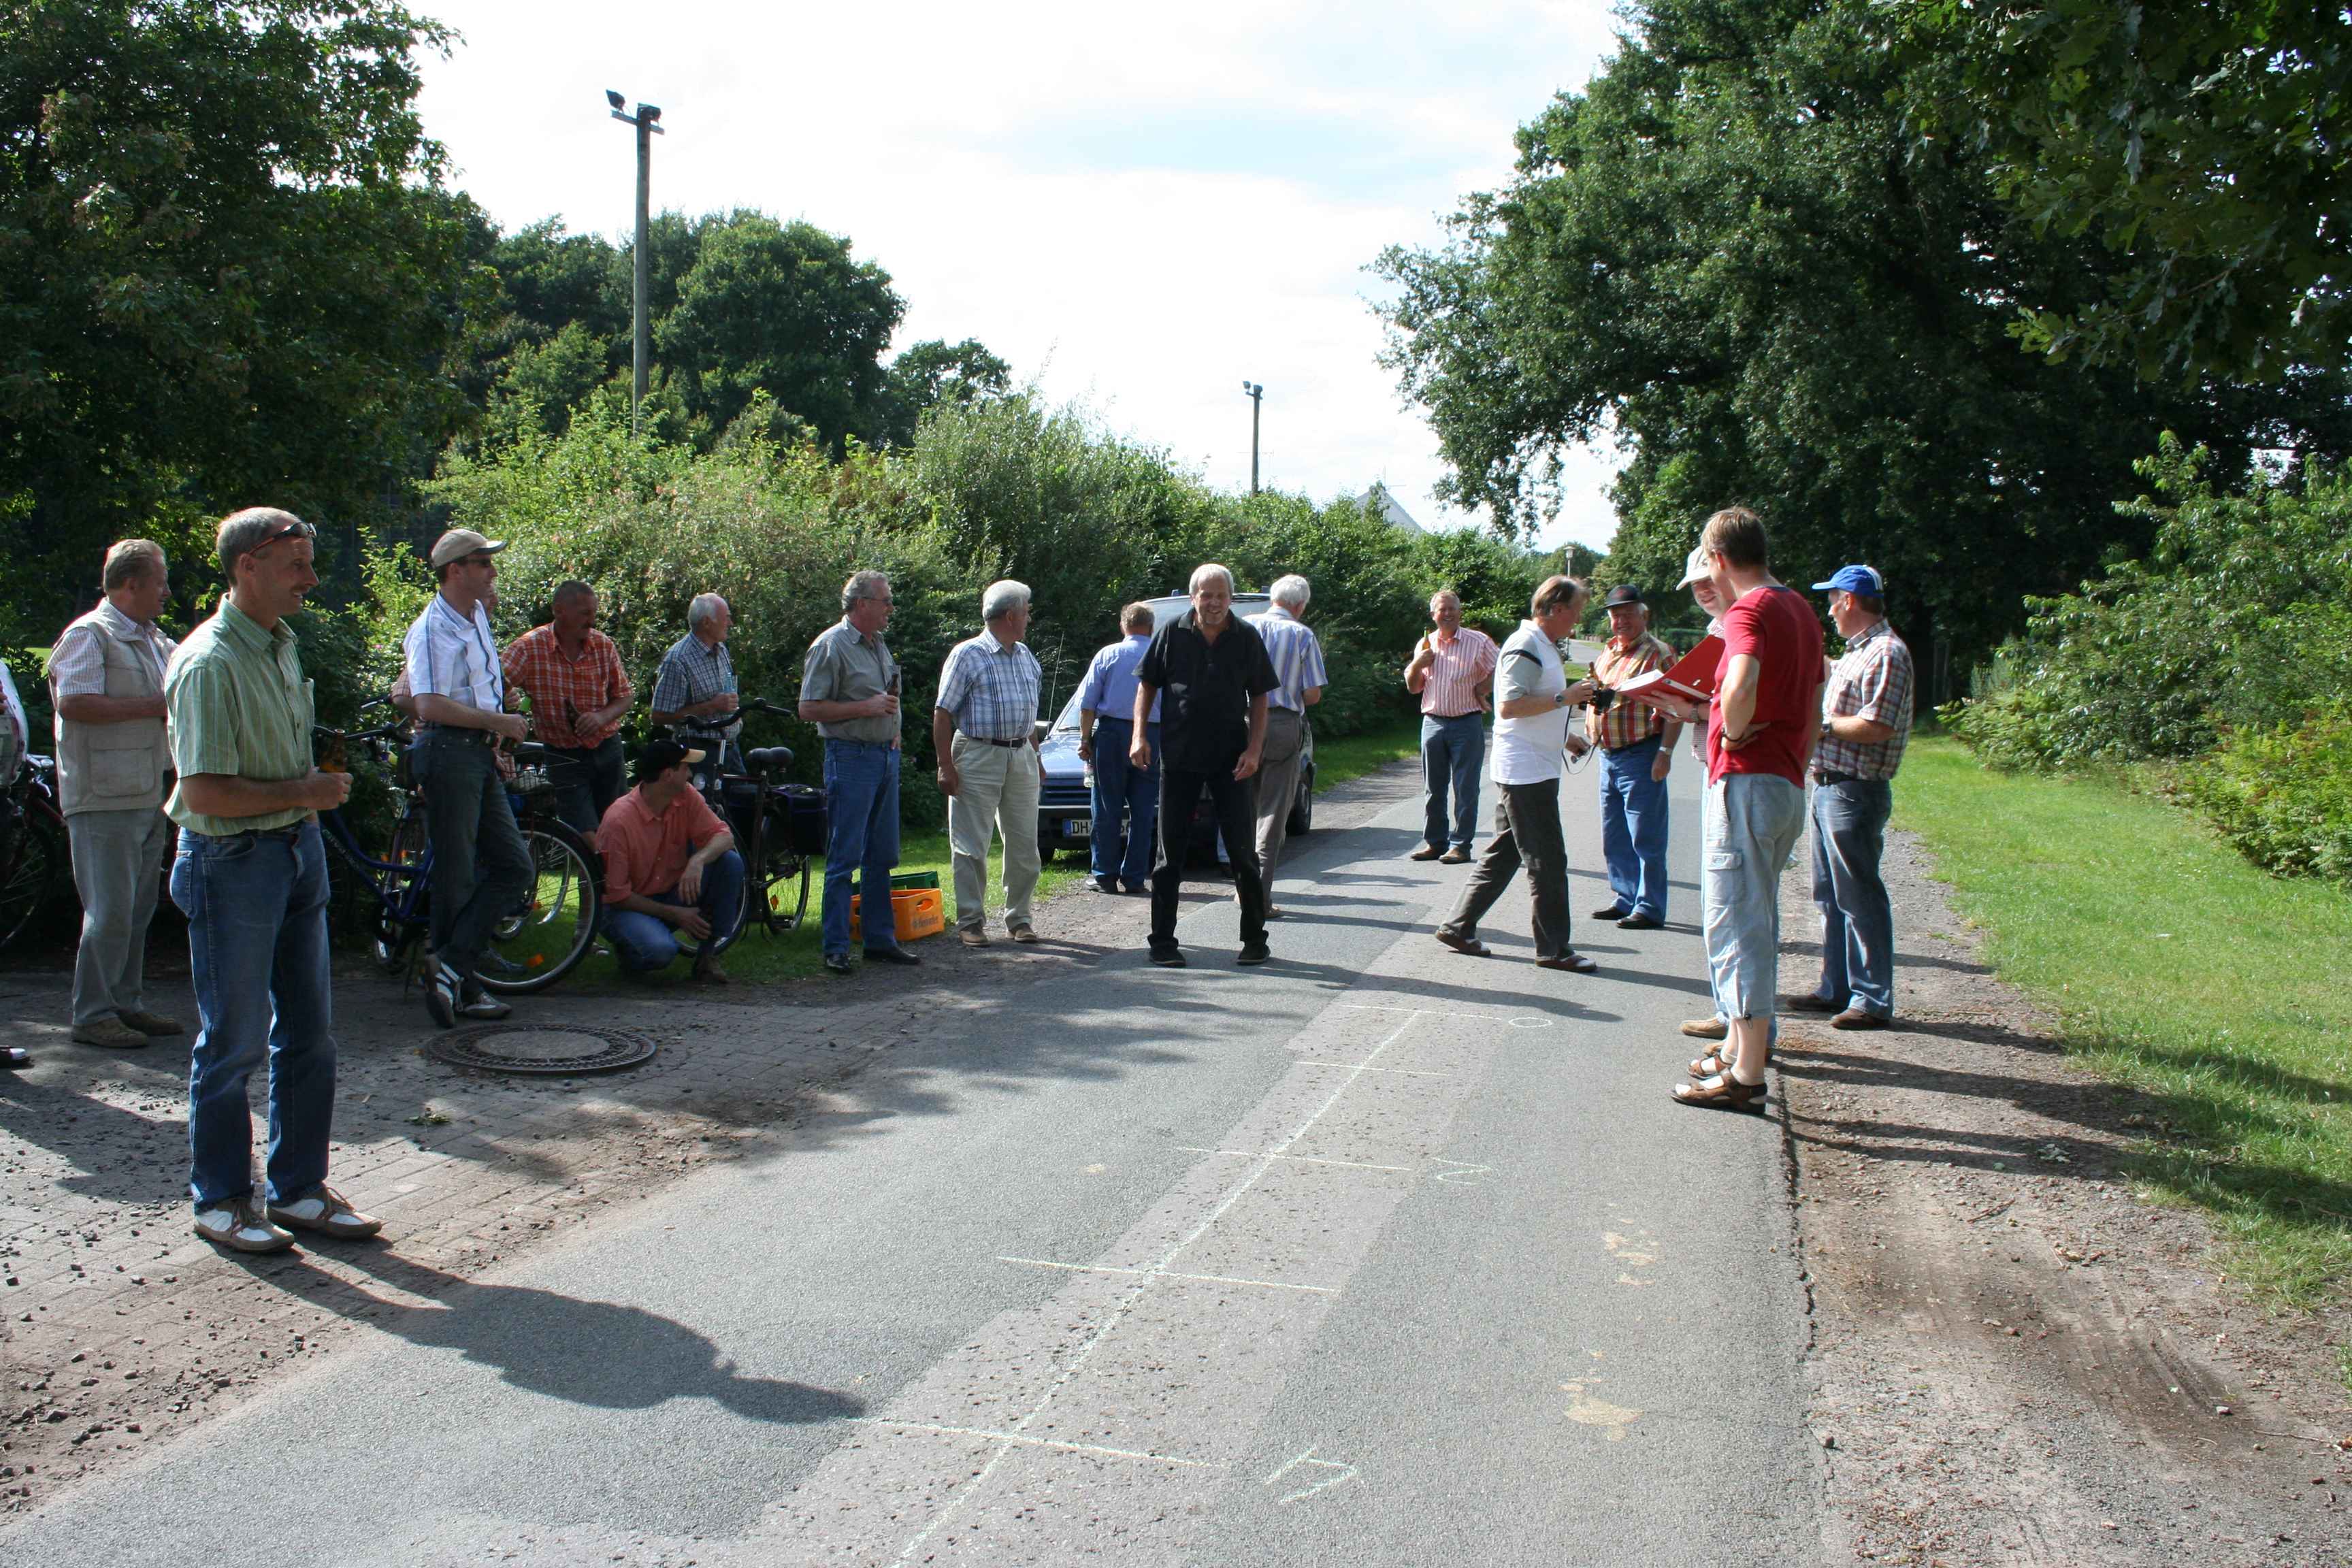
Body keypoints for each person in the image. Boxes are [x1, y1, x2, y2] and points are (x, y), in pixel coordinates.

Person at [165, 506, 379, 1254]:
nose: (312, 580)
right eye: (297, 566)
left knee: (311, 1036)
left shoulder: (281, 644)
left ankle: (298, 1190)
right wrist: (306, 793)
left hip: (294, 853)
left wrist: (305, 811)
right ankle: (221, 1198)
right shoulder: (208, 662)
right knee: (233, 1041)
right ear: (248, 564)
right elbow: (204, 795)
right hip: (232, 864)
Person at [1648, 507, 1824, 1113]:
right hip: (1785, 782)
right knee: (1757, 915)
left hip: (1746, 782)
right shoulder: (1799, 606)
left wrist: (1736, 728)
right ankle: (1736, 1047)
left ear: (1719, 558)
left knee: (1736, 922)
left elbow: (1740, 681)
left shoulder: (1749, 610)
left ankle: (1746, 1073)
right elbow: (1816, 690)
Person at [48, 540, 182, 1051]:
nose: (167, 592)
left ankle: (125, 1003)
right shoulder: (90, 634)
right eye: (160, 581)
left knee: (137, 907)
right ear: (131, 585)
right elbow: (76, 702)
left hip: (145, 790)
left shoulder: (152, 639)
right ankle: (93, 1013)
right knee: (109, 910)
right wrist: (154, 706)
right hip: (104, 795)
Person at [1433, 576, 1599, 972]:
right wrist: (1567, 697)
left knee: (1506, 852)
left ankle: (1458, 925)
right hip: (1525, 772)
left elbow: (1532, 709)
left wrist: (1566, 736)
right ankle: (1554, 949)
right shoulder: (1526, 645)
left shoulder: (1542, 645)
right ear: (1556, 609)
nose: (1578, 618)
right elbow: (1509, 707)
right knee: (1547, 860)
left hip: (1531, 764)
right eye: (1576, 610)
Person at [403, 528, 533, 1030]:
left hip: (475, 755)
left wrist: (496, 730)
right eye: (482, 563)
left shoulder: (476, 613)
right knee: (456, 877)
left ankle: (451, 969)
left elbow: (478, 688)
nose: (492, 571)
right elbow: (428, 704)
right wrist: (497, 723)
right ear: (454, 571)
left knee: (514, 867)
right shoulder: (431, 628)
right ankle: (463, 984)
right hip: (447, 754)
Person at [1134, 564, 1277, 968]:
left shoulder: (1246, 636)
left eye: (1220, 595)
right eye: (1206, 595)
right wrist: (1139, 736)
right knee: (1169, 856)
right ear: (1194, 596)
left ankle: (1254, 940)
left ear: (1230, 598)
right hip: (1179, 757)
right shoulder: (1171, 632)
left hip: (1232, 760)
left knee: (1242, 854)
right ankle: (1163, 942)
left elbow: (1262, 696)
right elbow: (1148, 684)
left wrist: (1254, 750)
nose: (1213, 603)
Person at [1792, 565, 1915, 1029]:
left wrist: (1819, 727)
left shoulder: (1886, 652)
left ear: (1848, 600)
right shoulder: (1859, 652)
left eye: (1831, 599)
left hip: (1854, 789)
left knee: (1858, 894)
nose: (1828, 609)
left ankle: (1872, 999)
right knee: (1830, 895)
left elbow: (1877, 725)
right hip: (1831, 786)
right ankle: (1836, 987)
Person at [797, 570, 919, 976]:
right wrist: (863, 710)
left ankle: (879, 941)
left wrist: (894, 731)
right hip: (849, 757)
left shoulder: (878, 644)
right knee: (844, 855)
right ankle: (835, 947)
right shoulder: (830, 646)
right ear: (863, 604)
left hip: (884, 756)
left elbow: (889, 695)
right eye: (885, 602)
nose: (890, 609)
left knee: (881, 854)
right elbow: (809, 708)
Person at [933, 581, 1045, 947]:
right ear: (1011, 614)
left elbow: (1029, 713)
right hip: (978, 753)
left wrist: (1036, 756)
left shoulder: (1026, 655)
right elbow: (943, 713)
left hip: (1021, 755)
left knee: (1025, 843)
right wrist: (945, 765)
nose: (1029, 617)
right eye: (1027, 611)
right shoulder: (968, 654)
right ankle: (971, 922)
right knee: (970, 844)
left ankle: (1020, 919)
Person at [595, 740, 741, 981]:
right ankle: (630, 952)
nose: (691, 774)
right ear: (668, 774)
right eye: (685, 768)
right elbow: (617, 896)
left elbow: (724, 836)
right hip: (625, 907)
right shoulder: (619, 821)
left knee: (730, 863)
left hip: (670, 892)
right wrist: (676, 914)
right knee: (661, 952)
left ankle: (707, 957)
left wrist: (698, 860)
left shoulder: (687, 796)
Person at [1581, 584, 1682, 931]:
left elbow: (1675, 708)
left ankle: (1650, 906)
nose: (1621, 620)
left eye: (1628, 613)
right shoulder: (1609, 651)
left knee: (1645, 835)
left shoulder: (1660, 654)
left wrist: (1665, 754)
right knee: (1614, 834)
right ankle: (1625, 898)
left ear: (1644, 615)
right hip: (1609, 755)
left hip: (1642, 753)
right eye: (1615, 614)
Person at [500, 580, 634, 836]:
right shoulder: (529, 647)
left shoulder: (603, 645)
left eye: (594, 613)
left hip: (607, 749)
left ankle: (608, 877)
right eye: (585, 613)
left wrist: (601, 717)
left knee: (618, 828)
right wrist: (507, 707)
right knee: (584, 834)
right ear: (559, 610)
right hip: (562, 755)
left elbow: (625, 697)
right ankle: (593, 873)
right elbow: (492, 685)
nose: (592, 620)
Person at [1245, 575, 1327, 915]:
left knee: (1244, 810)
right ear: (1300, 605)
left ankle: (1242, 886)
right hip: (1281, 724)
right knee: (1273, 813)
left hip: (1241, 723)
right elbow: (1312, 693)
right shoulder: (1301, 634)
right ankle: (1257, 899)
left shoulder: (1244, 626)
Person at [1403, 588, 1497, 863]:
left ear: (1460, 612)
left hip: (1467, 723)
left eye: (1452, 609)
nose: (1448, 614)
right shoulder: (1426, 644)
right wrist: (1417, 664)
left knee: (1466, 788)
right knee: (1434, 788)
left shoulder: (1478, 641)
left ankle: (1461, 846)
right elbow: (1413, 687)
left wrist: (1484, 687)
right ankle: (1435, 843)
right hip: (1433, 723)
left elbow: (1502, 667)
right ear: (1433, 614)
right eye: (1442, 610)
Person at [1076, 602, 1161, 895]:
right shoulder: (1161, 654)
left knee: (1107, 806)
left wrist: (1085, 740)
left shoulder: (1108, 654)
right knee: (1143, 809)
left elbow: (1087, 704)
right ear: (1151, 627)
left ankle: (1105, 875)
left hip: (1112, 734)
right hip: (1151, 734)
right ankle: (1135, 877)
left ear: (1123, 626)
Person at [649, 593, 742, 790]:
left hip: (730, 749)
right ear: (707, 622)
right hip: (700, 753)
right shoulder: (677, 659)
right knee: (705, 815)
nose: (731, 623)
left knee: (742, 809)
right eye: (726, 617)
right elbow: (658, 716)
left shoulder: (721, 649)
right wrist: (711, 706)